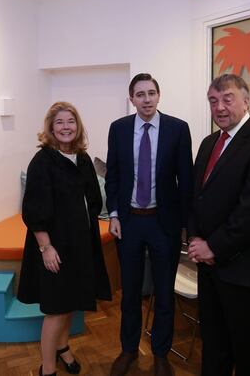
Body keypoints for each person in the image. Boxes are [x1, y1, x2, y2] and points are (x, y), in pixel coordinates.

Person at [187, 74, 250, 376]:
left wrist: (213, 246)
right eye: (213, 100)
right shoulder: (208, 143)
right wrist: (195, 239)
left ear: (246, 100)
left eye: (227, 98)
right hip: (208, 265)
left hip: (241, 267)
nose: (219, 107)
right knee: (214, 340)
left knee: (244, 345)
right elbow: (196, 196)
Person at [105, 73, 193, 376]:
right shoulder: (118, 129)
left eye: (151, 93)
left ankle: (160, 353)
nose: (146, 99)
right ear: (132, 99)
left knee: (164, 293)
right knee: (129, 293)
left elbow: (186, 181)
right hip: (128, 223)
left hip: (163, 224)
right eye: (140, 94)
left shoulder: (178, 129)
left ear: (159, 95)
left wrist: (185, 225)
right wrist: (114, 214)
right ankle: (128, 350)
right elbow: (113, 176)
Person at [18, 101, 112, 376]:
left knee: (70, 302)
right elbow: (34, 211)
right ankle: (47, 369)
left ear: (77, 126)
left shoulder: (82, 157)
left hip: (80, 244)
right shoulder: (42, 161)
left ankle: (63, 348)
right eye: (59, 122)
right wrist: (46, 248)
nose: (65, 127)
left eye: (70, 121)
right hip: (54, 246)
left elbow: (93, 200)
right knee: (57, 309)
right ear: (50, 128)